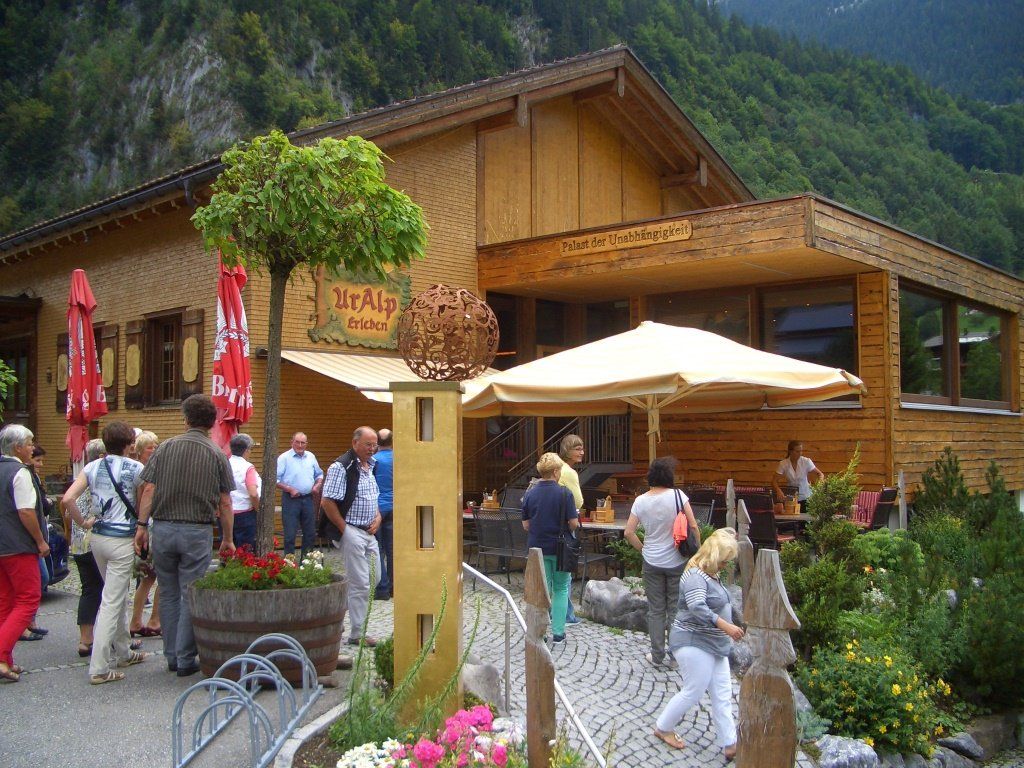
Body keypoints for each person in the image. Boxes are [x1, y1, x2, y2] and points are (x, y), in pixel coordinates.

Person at [135, 394, 236, 677]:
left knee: (167, 592)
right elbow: (225, 502)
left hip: (163, 528)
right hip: (196, 530)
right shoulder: (217, 454)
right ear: (212, 423)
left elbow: (149, 489)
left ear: (186, 419)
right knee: (189, 593)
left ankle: (170, 654)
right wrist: (227, 538)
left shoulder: (165, 447)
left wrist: (141, 526)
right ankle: (184, 657)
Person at [63, 421, 149, 684]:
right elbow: (144, 500)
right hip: (123, 538)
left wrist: (82, 522)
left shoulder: (92, 466)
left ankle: (123, 652)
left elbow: (67, 499)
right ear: (129, 444)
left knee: (116, 596)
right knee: (112, 600)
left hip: (98, 537)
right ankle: (99, 667)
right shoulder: (137, 468)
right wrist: (143, 527)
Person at [653, 527, 743, 760]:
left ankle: (730, 743)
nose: (725, 566)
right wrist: (727, 626)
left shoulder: (710, 572)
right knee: (694, 689)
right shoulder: (695, 575)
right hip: (693, 641)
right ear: (713, 556)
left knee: (723, 692)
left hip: (715, 644)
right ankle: (663, 727)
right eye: (723, 561)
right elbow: (697, 607)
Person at [624, 456, 699, 670]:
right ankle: (675, 657)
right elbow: (693, 526)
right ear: (669, 476)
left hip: (652, 561)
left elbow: (629, 532)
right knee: (675, 609)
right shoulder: (678, 496)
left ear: (650, 477)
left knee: (656, 610)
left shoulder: (640, 501)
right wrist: (698, 554)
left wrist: (643, 549)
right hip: (677, 560)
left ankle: (657, 655)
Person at [320, 426, 382, 647]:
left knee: (375, 578)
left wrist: (378, 517)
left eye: (374, 445)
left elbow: (372, 496)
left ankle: (339, 612)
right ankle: (357, 633)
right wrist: (344, 529)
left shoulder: (370, 466)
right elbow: (327, 501)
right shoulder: (341, 466)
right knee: (360, 583)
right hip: (352, 530)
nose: (372, 449)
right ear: (355, 443)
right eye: (368, 444)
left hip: (369, 532)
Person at [0, 424, 49, 682]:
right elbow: (26, 511)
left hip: (2, 545)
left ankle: (5, 659)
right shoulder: (19, 472)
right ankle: (1, 656)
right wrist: (40, 541)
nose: (32, 448)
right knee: (29, 599)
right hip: (18, 545)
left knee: (6, 601)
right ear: (18, 447)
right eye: (29, 443)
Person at [521, 452, 578, 646]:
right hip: (560, 549)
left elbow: (526, 525)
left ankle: (541, 633)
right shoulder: (565, 493)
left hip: (537, 549)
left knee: (541, 591)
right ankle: (559, 633)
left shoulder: (530, 493)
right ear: (555, 472)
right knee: (561, 588)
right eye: (559, 470)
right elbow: (573, 523)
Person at [69, 439, 106, 657]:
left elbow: (66, 506)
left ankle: (85, 639)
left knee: (89, 590)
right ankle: (109, 639)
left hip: (78, 543)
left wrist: (74, 528)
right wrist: (85, 522)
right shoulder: (97, 479)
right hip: (94, 541)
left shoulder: (79, 478)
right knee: (107, 590)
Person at [129, 430, 161, 638]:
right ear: (140, 450)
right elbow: (143, 501)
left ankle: (136, 620)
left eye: (156, 446)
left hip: (145, 526)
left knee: (147, 577)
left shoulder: (139, 468)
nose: (154, 450)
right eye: (150, 447)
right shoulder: (144, 471)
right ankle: (154, 620)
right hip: (149, 526)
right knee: (158, 575)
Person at [276, 432, 324, 561]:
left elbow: (319, 474)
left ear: (306, 444)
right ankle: (289, 564)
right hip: (291, 499)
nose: (300, 445)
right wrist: (290, 489)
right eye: (297, 442)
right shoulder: (284, 458)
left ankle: (306, 563)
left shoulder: (311, 456)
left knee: (310, 533)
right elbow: (275, 479)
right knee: (290, 535)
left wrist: (318, 485)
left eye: (303, 443)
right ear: (292, 442)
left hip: (308, 499)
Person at [557, 434, 586, 627]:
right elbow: (578, 501)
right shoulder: (569, 472)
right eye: (577, 449)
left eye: (582, 448)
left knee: (555, 573)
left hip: (551, 526)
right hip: (566, 525)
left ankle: (557, 611)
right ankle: (566, 615)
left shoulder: (556, 468)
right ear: (568, 450)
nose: (582, 452)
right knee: (564, 573)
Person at [227, 433, 260, 551]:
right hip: (244, 514)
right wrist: (258, 509)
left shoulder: (224, 464)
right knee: (245, 552)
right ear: (246, 450)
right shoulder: (247, 467)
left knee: (228, 551)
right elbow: (253, 493)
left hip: (226, 512)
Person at [772, 440, 825, 511]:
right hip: (791, 498)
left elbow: (820, 474)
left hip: (806, 497)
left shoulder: (806, 461)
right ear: (790, 451)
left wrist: (820, 481)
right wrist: (778, 490)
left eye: (801, 451)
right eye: (797, 451)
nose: (800, 453)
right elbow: (774, 481)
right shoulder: (783, 464)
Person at [373, 428, 394, 601]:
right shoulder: (398, 459)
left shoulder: (373, 460)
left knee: (377, 548)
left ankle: (382, 588)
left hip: (377, 508)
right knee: (392, 548)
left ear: (377, 442)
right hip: (395, 506)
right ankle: (395, 586)